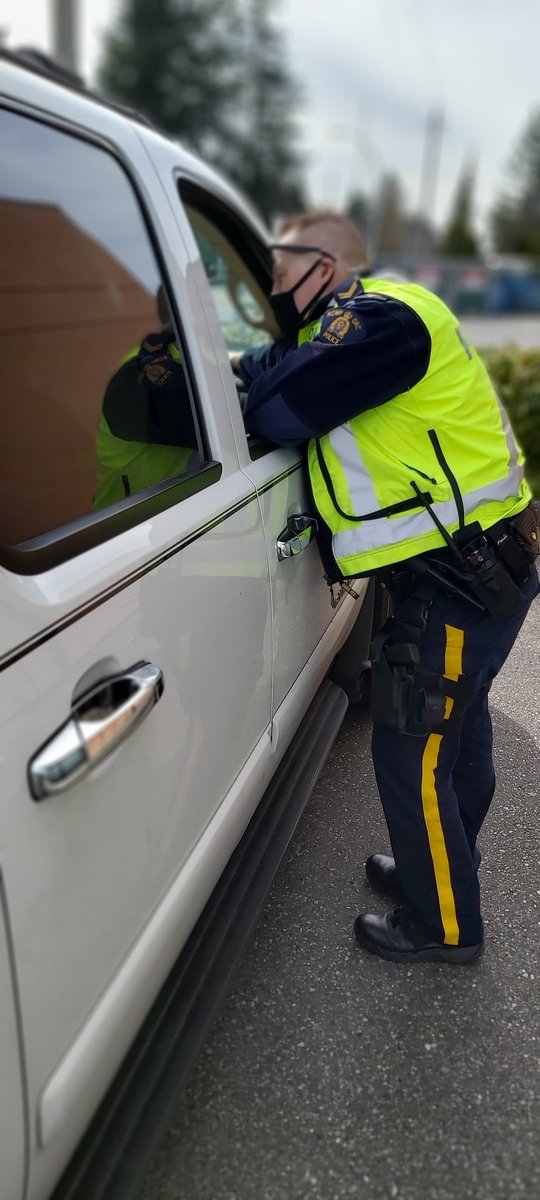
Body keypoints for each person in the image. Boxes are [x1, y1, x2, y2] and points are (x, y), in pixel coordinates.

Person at [236, 210, 539, 965]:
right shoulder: (383, 320)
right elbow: (281, 377)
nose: (273, 285)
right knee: (456, 736)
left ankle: (442, 926)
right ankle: (441, 867)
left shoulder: (378, 322)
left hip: (461, 579)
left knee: (414, 749)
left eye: (280, 268)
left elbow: (273, 410)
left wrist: (260, 371)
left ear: (325, 265)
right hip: (482, 567)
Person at [93, 286, 198, 509]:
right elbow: (231, 414)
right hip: (127, 529)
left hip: (163, 520)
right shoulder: (136, 376)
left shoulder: (194, 361)